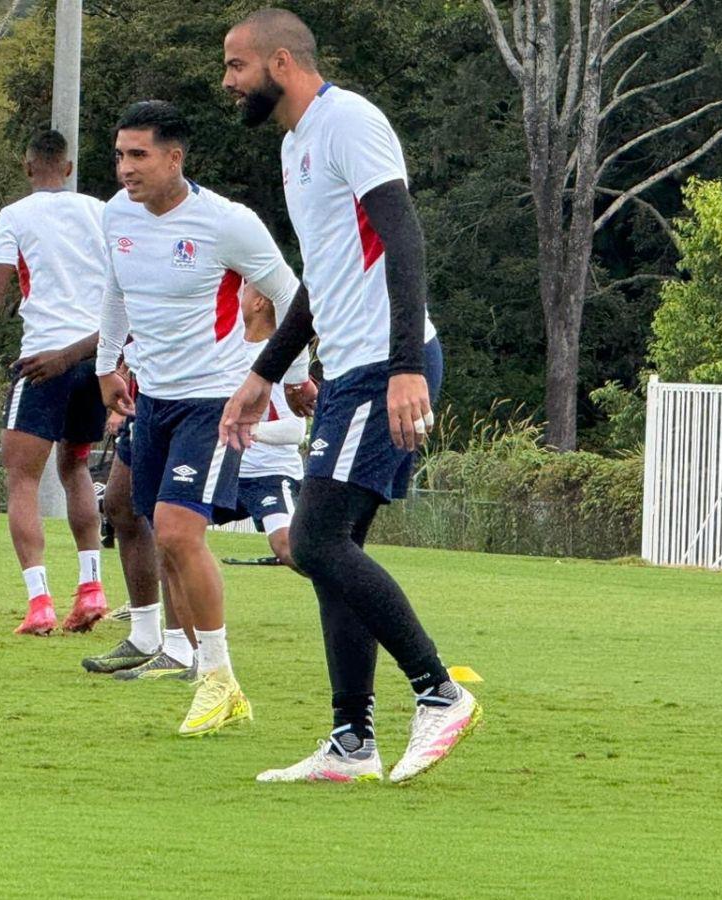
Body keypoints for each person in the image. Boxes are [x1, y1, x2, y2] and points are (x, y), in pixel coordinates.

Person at [220, 8, 481, 783]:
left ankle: (439, 693)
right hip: (349, 371)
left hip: (382, 367)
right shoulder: (297, 146)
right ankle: (351, 742)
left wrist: (404, 365)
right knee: (329, 550)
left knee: (317, 542)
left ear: (281, 62)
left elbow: (404, 240)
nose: (228, 83)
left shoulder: (349, 122)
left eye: (236, 66)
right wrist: (265, 371)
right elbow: (320, 282)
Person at [95, 100, 308, 737]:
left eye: (139, 155)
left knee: (180, 533)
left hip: (214, 403)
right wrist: (109, 365)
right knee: (141, 518)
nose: (126, 168)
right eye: (119, 155)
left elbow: (292, 294)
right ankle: (180, 652)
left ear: (174, 157)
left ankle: (220, 682)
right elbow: (115, 291)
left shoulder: (226, 224)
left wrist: (290, 379)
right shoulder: (115, 216)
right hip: (152, 399)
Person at [0, 130, 110, 635]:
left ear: (27, 169)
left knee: (22, 480)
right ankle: (92, 589)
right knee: (77, 467)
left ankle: (40, 602)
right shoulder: (100, 211)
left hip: (43, 359)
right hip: (94, 355)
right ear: (68, 169)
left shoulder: (15, 216)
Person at [81, 343, 197, 681]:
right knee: (119, 502)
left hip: (186, 391)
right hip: (146, 392)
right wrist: (114, 370)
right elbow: (121, 313)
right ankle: (145, 637)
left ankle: (181, 648)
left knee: (171, 519)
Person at [221, 283, 306, 568]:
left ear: (259, 303)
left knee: (288, 548)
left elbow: (298, 430)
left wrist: (251, 431)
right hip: (225, 472)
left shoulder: (279, 357)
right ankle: (148, 606)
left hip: (269, 475)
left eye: (242, 291)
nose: (236, 296)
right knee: (170, 524)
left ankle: (352, 601)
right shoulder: (225, 348)